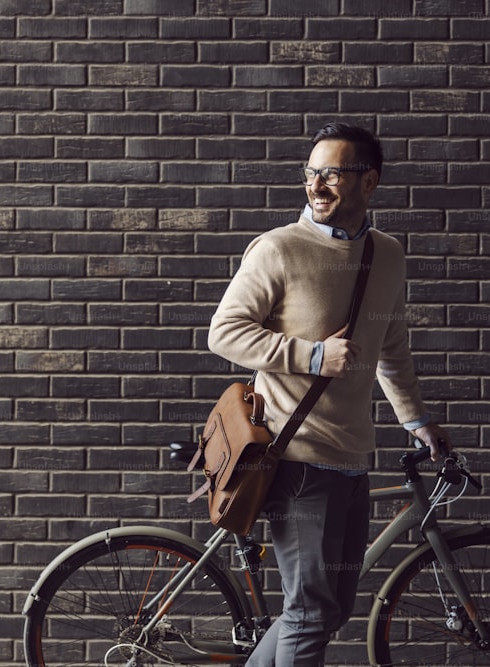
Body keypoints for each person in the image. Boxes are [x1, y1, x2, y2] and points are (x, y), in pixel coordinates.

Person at [208, 122, 452, 666]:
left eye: (332, 174)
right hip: (296, 459)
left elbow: (391, 344)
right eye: (311, 173)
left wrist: (416, 420)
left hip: (351, 459)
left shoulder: (387, 255)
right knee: (311, 610)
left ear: (369, 183)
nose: (316, 185)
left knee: (328, 609)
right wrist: (313, 356)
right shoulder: (278, 249)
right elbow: (223, 332)